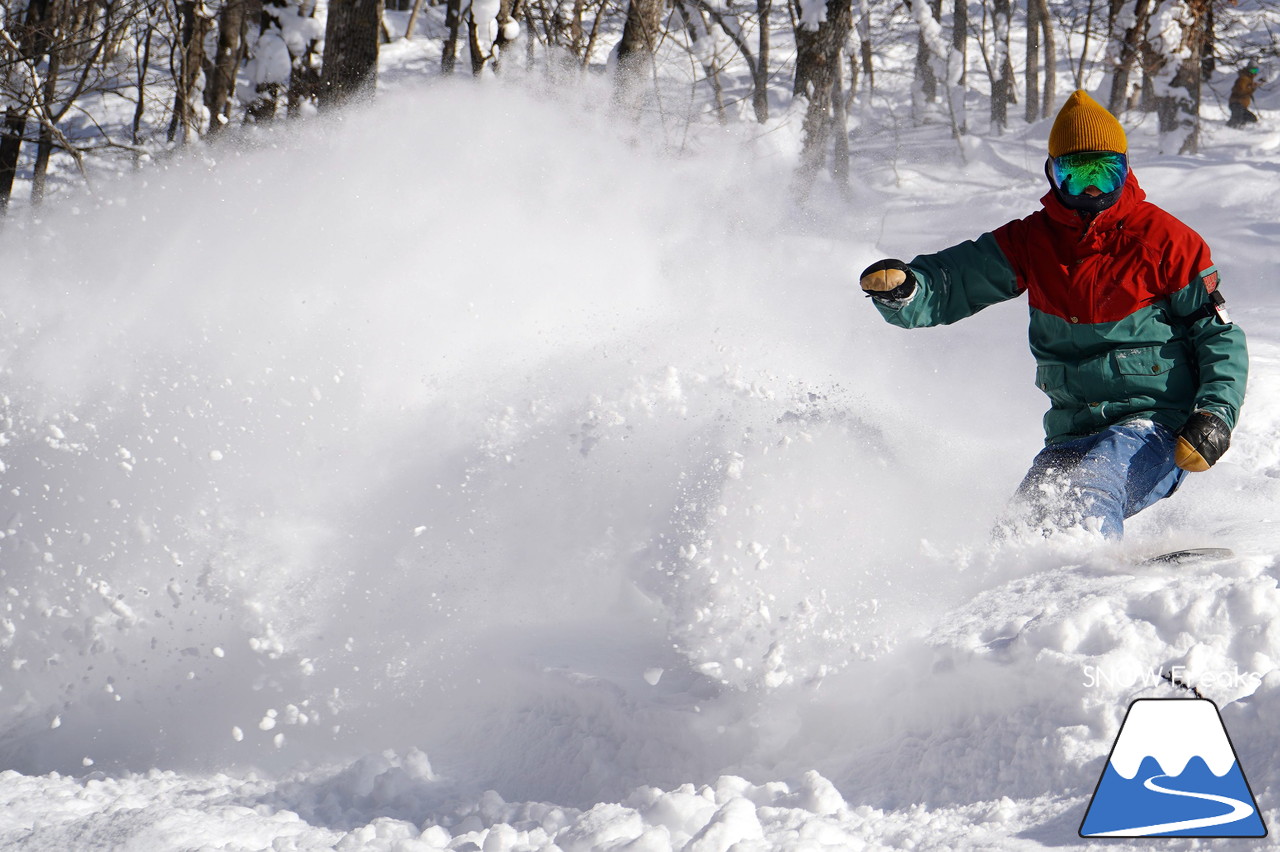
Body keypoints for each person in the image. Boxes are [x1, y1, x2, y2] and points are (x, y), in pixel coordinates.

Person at [858, 90, 1248, 540]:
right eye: (1076, 176)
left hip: (1158, 424)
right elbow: (954, 280)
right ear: (1053, 175)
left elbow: (1218, 335)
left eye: (1105, 173)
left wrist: (1215, 414)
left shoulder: (1166, 242)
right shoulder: (1032, 242)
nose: (1093, 191)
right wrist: (909, 289)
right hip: (1072, 432)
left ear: (1125, 168)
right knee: (1019, 527)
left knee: (1086, 495)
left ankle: (1085, 578)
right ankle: (1020, 599)